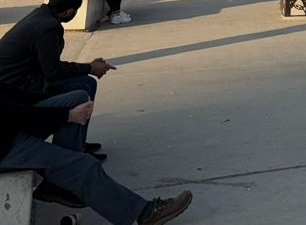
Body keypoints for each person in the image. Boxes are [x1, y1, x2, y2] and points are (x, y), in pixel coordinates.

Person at [0, 82, 193, 225]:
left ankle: (61, 182)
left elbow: (12, 95)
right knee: (83, 166)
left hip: (11, 128)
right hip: (6, 147)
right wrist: (67, 115)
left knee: (77, 97)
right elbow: (13, 113)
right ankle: (144, 213)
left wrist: (62, 107)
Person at [0, 0, 116, 154]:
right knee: (84, 86)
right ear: (70, 11)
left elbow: (49, 66)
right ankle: (72, 149)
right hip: (17, 88)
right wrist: (90, 68)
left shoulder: (39, 16)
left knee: (83, 82)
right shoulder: (48, 27)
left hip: (20, 79)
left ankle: (77, 142)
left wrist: (88, 67)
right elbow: (52, 71)